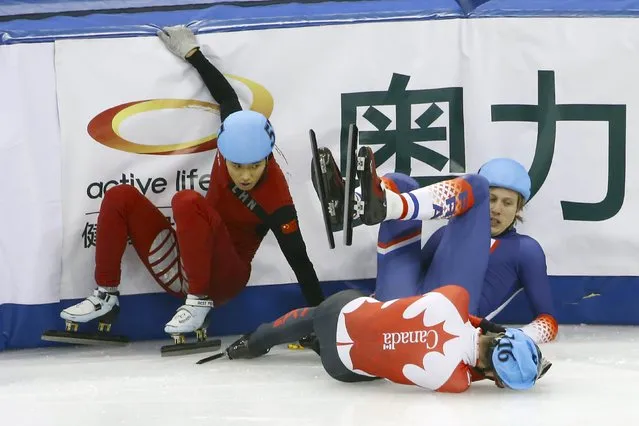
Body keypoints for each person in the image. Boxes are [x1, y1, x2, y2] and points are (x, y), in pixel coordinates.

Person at [59, 26, 325, 341]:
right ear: (223, 151)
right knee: (120, 196)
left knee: (187, 201)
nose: (244, 176)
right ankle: (106, 295)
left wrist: (325, 319)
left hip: (225, 278)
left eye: (254, 167)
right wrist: (191, 53)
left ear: (268, 158)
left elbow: (301, 263)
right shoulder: (233, 128)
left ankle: (199, 303)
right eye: (236, 166)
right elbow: (225, 94)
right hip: (185, 263)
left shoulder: (277, 200)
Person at [312, 146, 557, 344]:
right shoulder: (445, 235)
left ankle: (387, 205)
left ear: (518, 209)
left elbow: (548, 320)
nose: (496, 209)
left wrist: (515, 339)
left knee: (476, 185)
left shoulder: (526, 250)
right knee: (401, 182)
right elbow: (412, 279)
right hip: (399, 316)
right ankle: (350, 203)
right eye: (491, 199)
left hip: (445, 326)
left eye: (507, 203)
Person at [223, 285, 551, 393]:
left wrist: (493, 329)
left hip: (338, 310)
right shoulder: (456, 382)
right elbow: (475, 370)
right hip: (339, 368)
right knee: (379, 364)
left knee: (358, 312)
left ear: (496, 333)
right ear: (494, 380)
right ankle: (317, 344)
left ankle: (258, 340)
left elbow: (477, 324)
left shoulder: (455, 298)